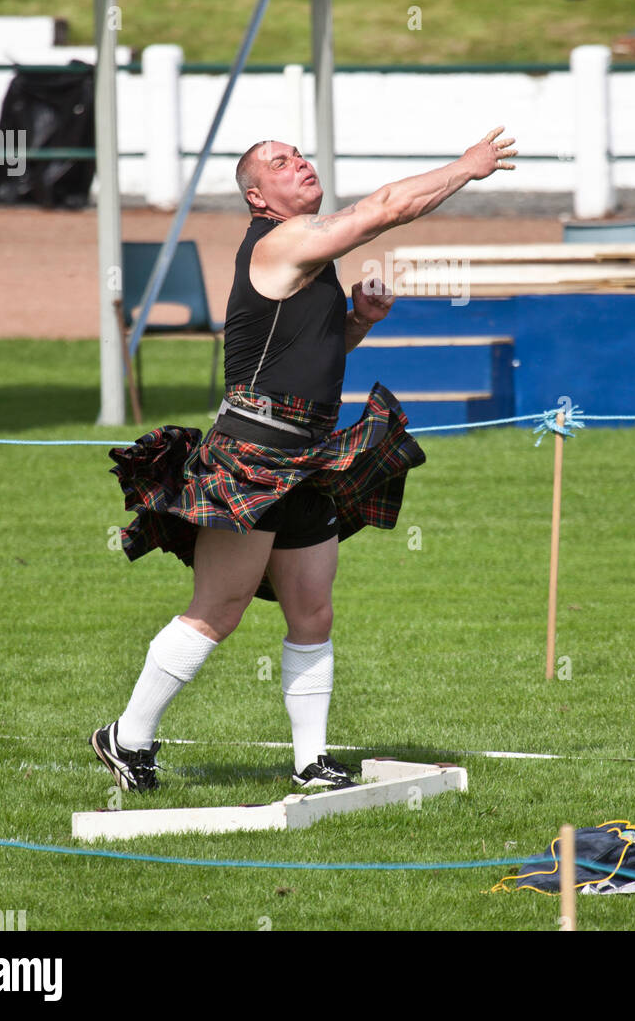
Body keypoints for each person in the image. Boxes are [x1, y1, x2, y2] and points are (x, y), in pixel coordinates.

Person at [91, 127, 517, 794]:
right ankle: (128, 736)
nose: (300, 164)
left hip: (306, 456)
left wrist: (357, 324)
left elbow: (304, 361)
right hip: (253, 453)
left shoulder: (308, 256)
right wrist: (465, 167)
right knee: (219, 607)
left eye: (301, 155)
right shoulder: (279, 241)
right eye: (280, 163)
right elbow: (384, 209)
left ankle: (311, 762)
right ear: (258, 197)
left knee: (312, 611)